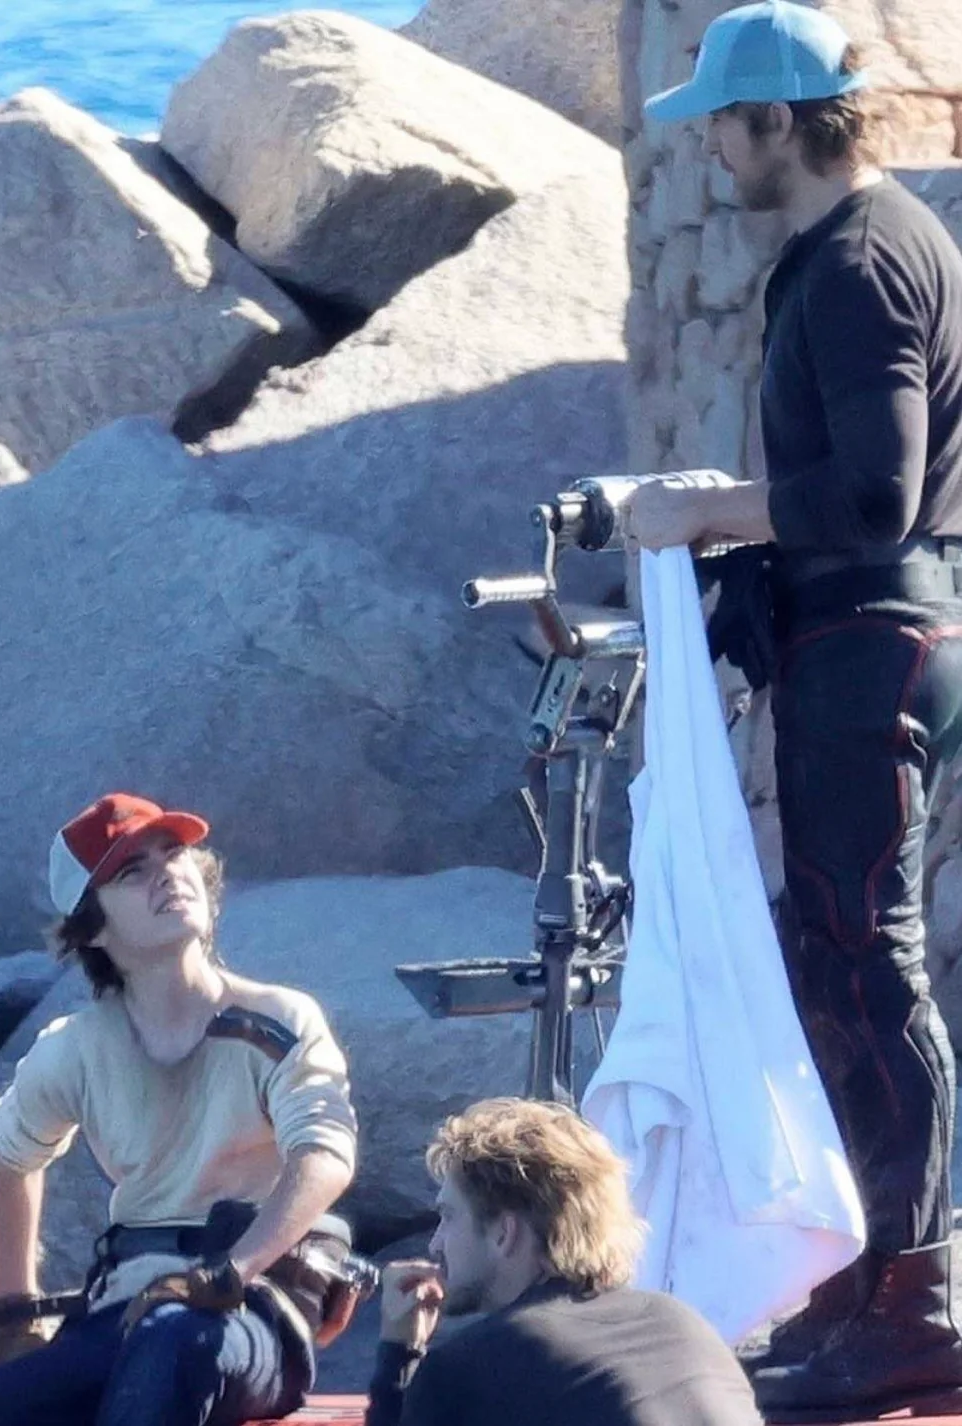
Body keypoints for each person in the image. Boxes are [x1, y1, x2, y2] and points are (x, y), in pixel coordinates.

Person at [625, 3, 962, 1417]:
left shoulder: (862, 261)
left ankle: (919, 1298)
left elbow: (878, 495)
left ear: (781, 120)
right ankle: (860, 1275)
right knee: (828, 952)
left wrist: (709, 509)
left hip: (873, 638)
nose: (708, 146)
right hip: (865, 638)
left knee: (866, 957)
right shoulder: (852, 249)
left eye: (721, 119)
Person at [0, 792, 358, 1426]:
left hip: (254, 1311)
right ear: (91, 927)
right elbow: (8, 1158)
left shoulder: (277, 1019)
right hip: (125, 1308)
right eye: (132, 871)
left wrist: (230, 1270)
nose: (167, 874)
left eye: (173, 853)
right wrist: (14, 1314)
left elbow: (326, 1154)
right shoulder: (76, 1048)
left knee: (172, 1341)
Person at [365, 1098, 762, 1426]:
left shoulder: (468, 1369)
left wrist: (400, 1354)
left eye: (449, 1217)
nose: (435, 1243)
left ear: (504, 1232)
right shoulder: (681, 1323)